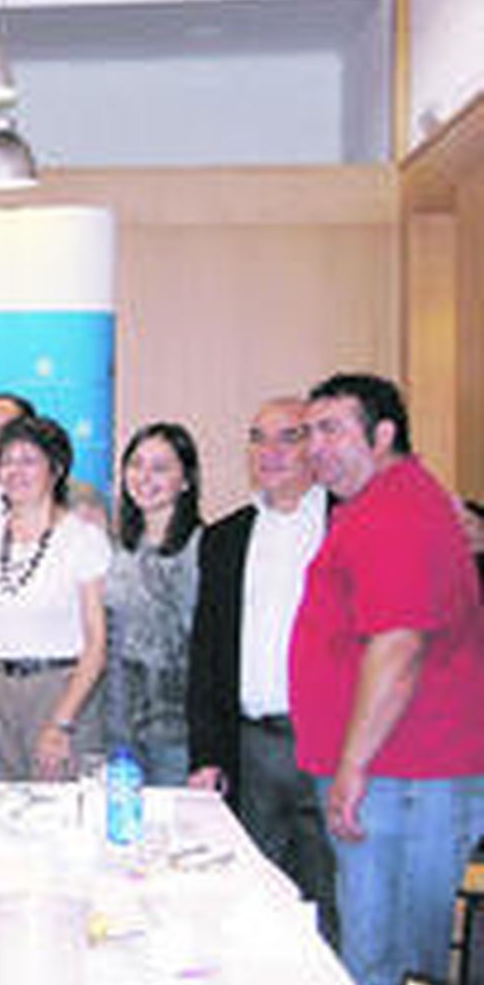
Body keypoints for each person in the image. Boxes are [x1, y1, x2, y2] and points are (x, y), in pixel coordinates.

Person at [292, 373, 484, 985]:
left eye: (331, 429)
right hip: (394, 773)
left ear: (383, 435)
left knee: (388, 964)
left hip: (402, 778)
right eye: (310, 431)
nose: (314, 445)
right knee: (384, 958)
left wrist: (352, 767)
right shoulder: (378, 505)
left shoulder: (397, 510)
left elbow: (398, 647)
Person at [185, 397, 338, 943]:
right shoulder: (226, 537)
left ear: (314, 447)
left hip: (333, 749)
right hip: (253, 748)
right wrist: (207, 753)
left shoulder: (347, 521)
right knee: (256, 903)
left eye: (288, 437)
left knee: (335, 898)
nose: (270, 453)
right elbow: (206, 657)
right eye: (258, 438)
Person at [0, 414, 110, 781]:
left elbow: (96, 642)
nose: (14, 471)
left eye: (28, 460)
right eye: (7, 461)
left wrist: (62, 724)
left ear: (55, 469)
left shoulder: (84, 539)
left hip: (57, 693)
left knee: (55, 820)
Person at [103, 421, 203, 784]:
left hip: (179, 732)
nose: (145, 477)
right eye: (136, 464)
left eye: (160, 468)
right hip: (117, 725)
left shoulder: (204, 547)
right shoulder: (113, 547)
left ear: (186, 479)